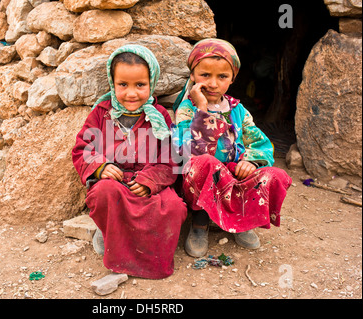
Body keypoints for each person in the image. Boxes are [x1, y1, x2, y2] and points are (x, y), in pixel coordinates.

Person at [72, 44, 187, 279]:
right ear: (112, 83)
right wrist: (101, 166)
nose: (131, 93)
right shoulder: (101, 113)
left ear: (152, 82)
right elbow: (82, 149)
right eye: (123, 85)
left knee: (173, 208)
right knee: (103, 194)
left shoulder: (160, 116)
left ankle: (147, 258)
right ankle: (108, 233)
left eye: (140, 85)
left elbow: (171, 157)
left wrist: (150, 180)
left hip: (149, 182)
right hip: (114, 183)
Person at [171, 38, 292, 257]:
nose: (213, 83)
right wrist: (202, 109)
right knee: (203, 163)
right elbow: (189, 151)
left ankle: (243, 220)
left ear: (232, 78)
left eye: (222, 76)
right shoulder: (187, 109)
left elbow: (261, 143)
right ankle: (200, 221)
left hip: (234, 176)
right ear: (192, 76)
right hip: (203, 177)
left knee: (276, 175)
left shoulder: (238, 110)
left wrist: (251, 161)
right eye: (205, 75)